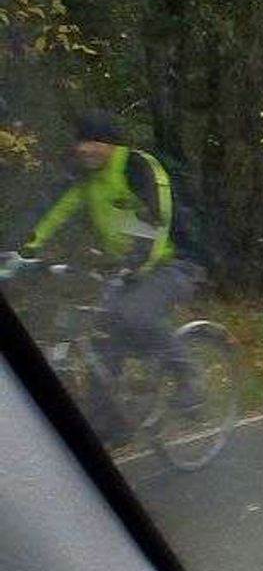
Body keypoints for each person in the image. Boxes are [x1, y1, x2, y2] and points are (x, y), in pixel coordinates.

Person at [23, 109, 201, 438]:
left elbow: (156, 219)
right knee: (102, 336)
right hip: (126, 266)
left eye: (93, 142)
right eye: (81, 142)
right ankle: (112, 423)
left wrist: (134, 264)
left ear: (111, 144)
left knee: (138, 314)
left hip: (173, 260)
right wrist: (23, 252)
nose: (85, 149)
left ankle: (189, 380)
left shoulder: (138, 167)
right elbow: (53, 213)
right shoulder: (84, 177)